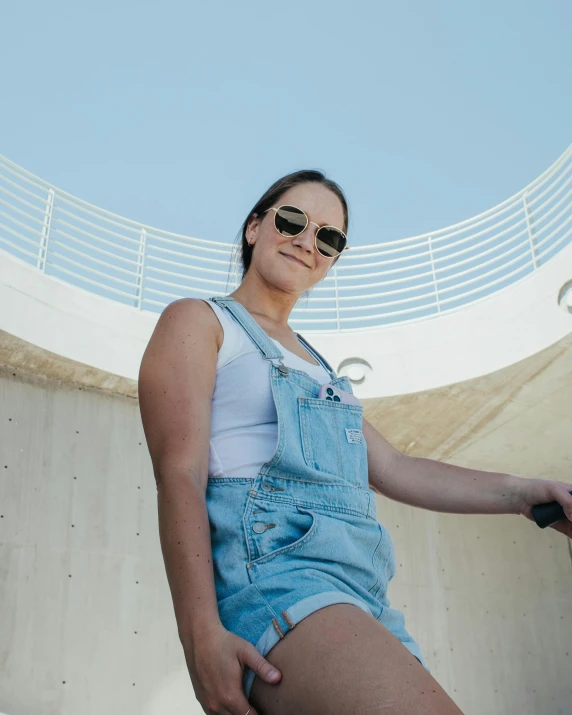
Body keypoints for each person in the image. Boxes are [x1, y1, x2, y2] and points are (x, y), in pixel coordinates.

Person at [138, 170, 467, 714]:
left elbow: (397, 468)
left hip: (363, 592)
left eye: (329, 238)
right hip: (277, 576)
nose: (308, 241)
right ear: (253, 228)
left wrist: (529, 496)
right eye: (293, 221)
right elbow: (179, 475)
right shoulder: (202, 322)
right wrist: (199, 636)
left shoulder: (320, 368)